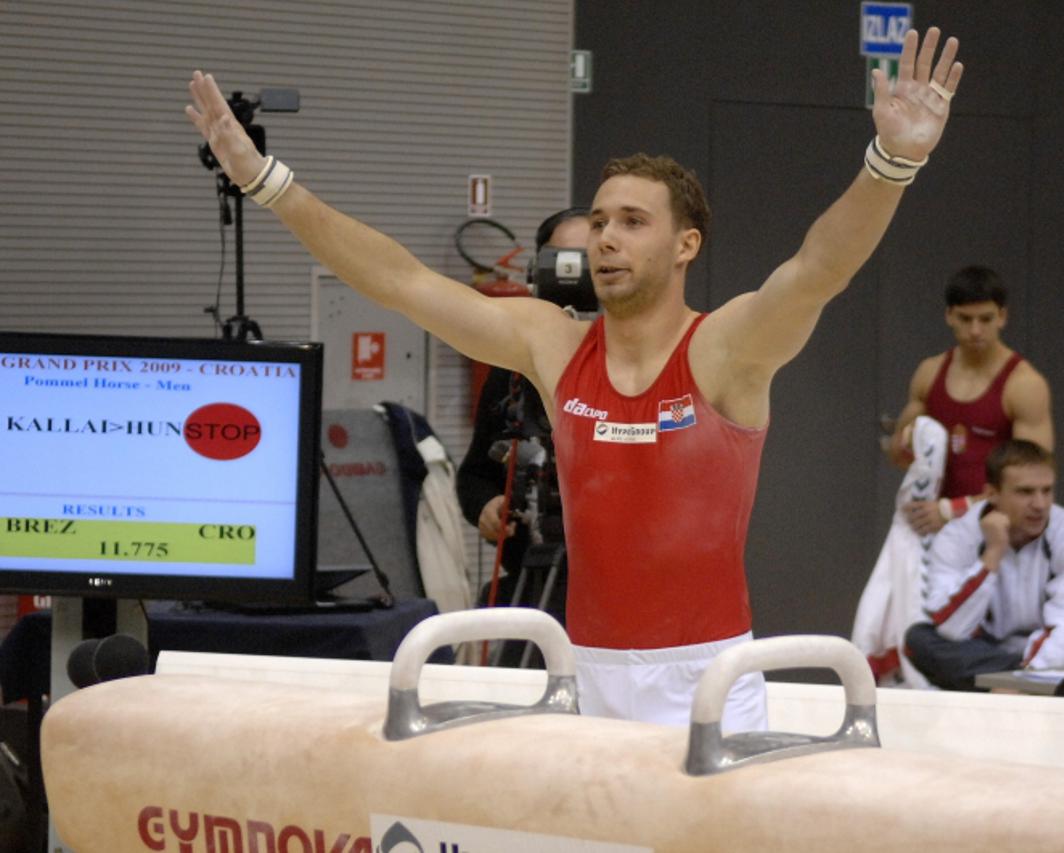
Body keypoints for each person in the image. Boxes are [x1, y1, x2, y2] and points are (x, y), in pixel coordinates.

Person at [184, 26, 964, 729]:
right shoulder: (552, 345)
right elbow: (401, 281)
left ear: (686, 244)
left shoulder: (722, 350)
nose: (606, 239)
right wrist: (266, 181)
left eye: (632, 221)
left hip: (704, 679)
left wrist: (892, 162)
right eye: (598, 221)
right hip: (585, 672)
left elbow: (818, 269)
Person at [456, 208, 589, 660]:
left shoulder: (639, 364)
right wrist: (486, 507)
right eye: (564, 260)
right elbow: (474, 474)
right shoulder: (512, 372)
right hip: (530, 589)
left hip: (616, 593)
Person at [903, 440, 1064, 690]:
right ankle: (1004, 684)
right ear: (992, 494)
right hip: (991, 653)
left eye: (1047, 491)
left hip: (1062, 655)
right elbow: (952, 628)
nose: (1040, 504)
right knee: (919, 640)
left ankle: (1000, 686)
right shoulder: (957, 537)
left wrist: (1027, 681)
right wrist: (993, 553)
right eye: (1025, 492)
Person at [887, 265, 1053, 537]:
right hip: (936, 529)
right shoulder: (929, 374)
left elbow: (1031, 484)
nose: (975, 331)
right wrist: (908, 442)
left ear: (1002, 317)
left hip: (997, 532)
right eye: (965, 319)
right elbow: (898, 455)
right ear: (949, 316)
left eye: (985, 319)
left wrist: (954, 510)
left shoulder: (1024, 385)